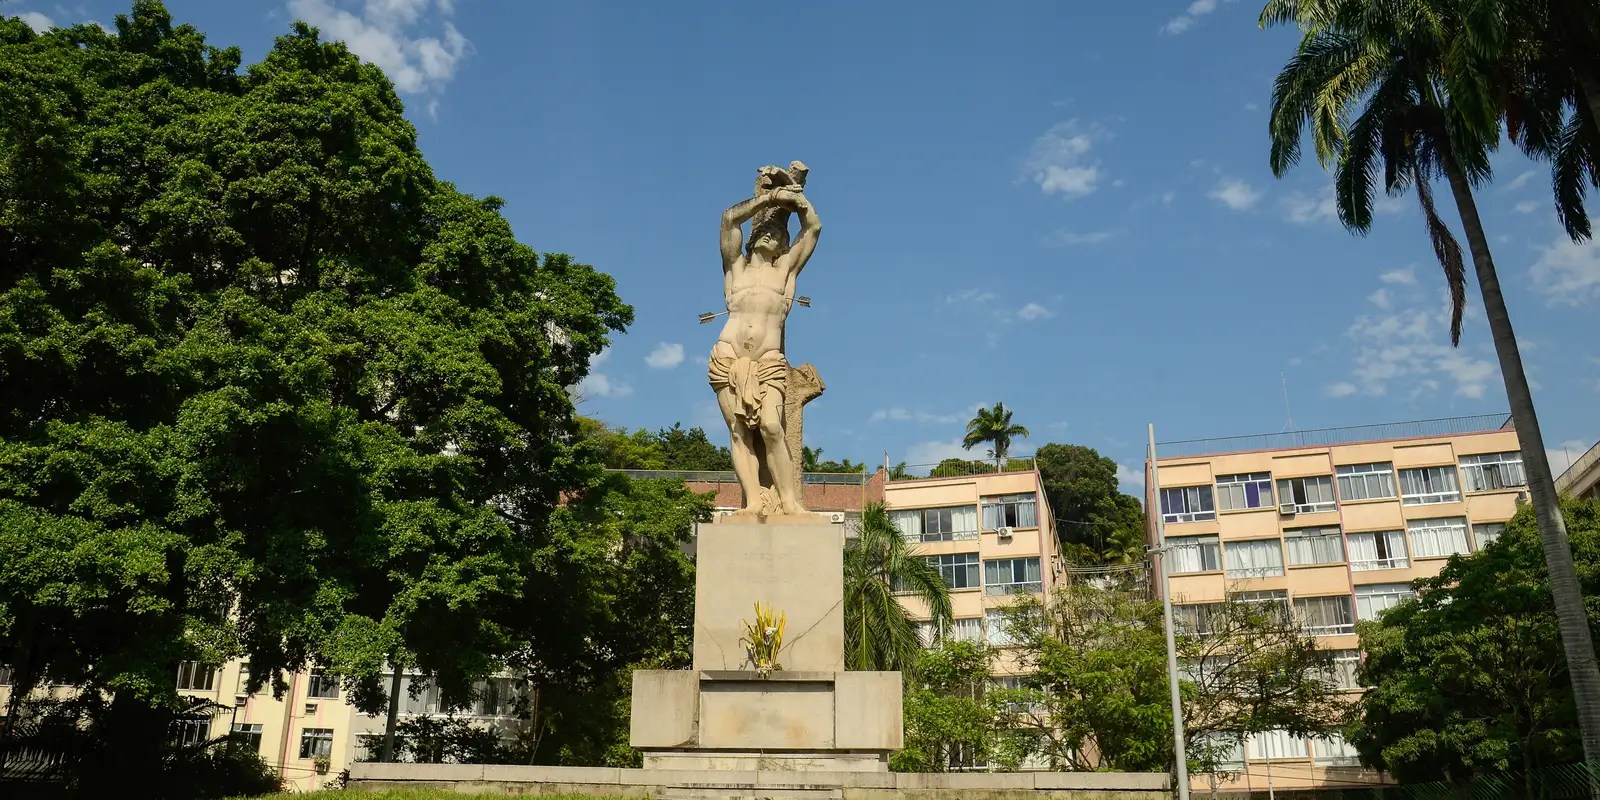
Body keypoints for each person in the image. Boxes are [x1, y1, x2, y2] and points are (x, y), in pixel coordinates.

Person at [707, 162, 821, 516]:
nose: (772, 233)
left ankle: (788, 502)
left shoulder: (785, 271)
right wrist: (769, 198)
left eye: (778, 231)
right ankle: (754, 502)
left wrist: (797, 201)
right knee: (740, 432)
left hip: (768, 360)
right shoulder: (735, 268)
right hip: (727, 357)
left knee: (772, 427)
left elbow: (813, 227)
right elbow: (728, 220)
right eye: (766, 230)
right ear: (754, 236)